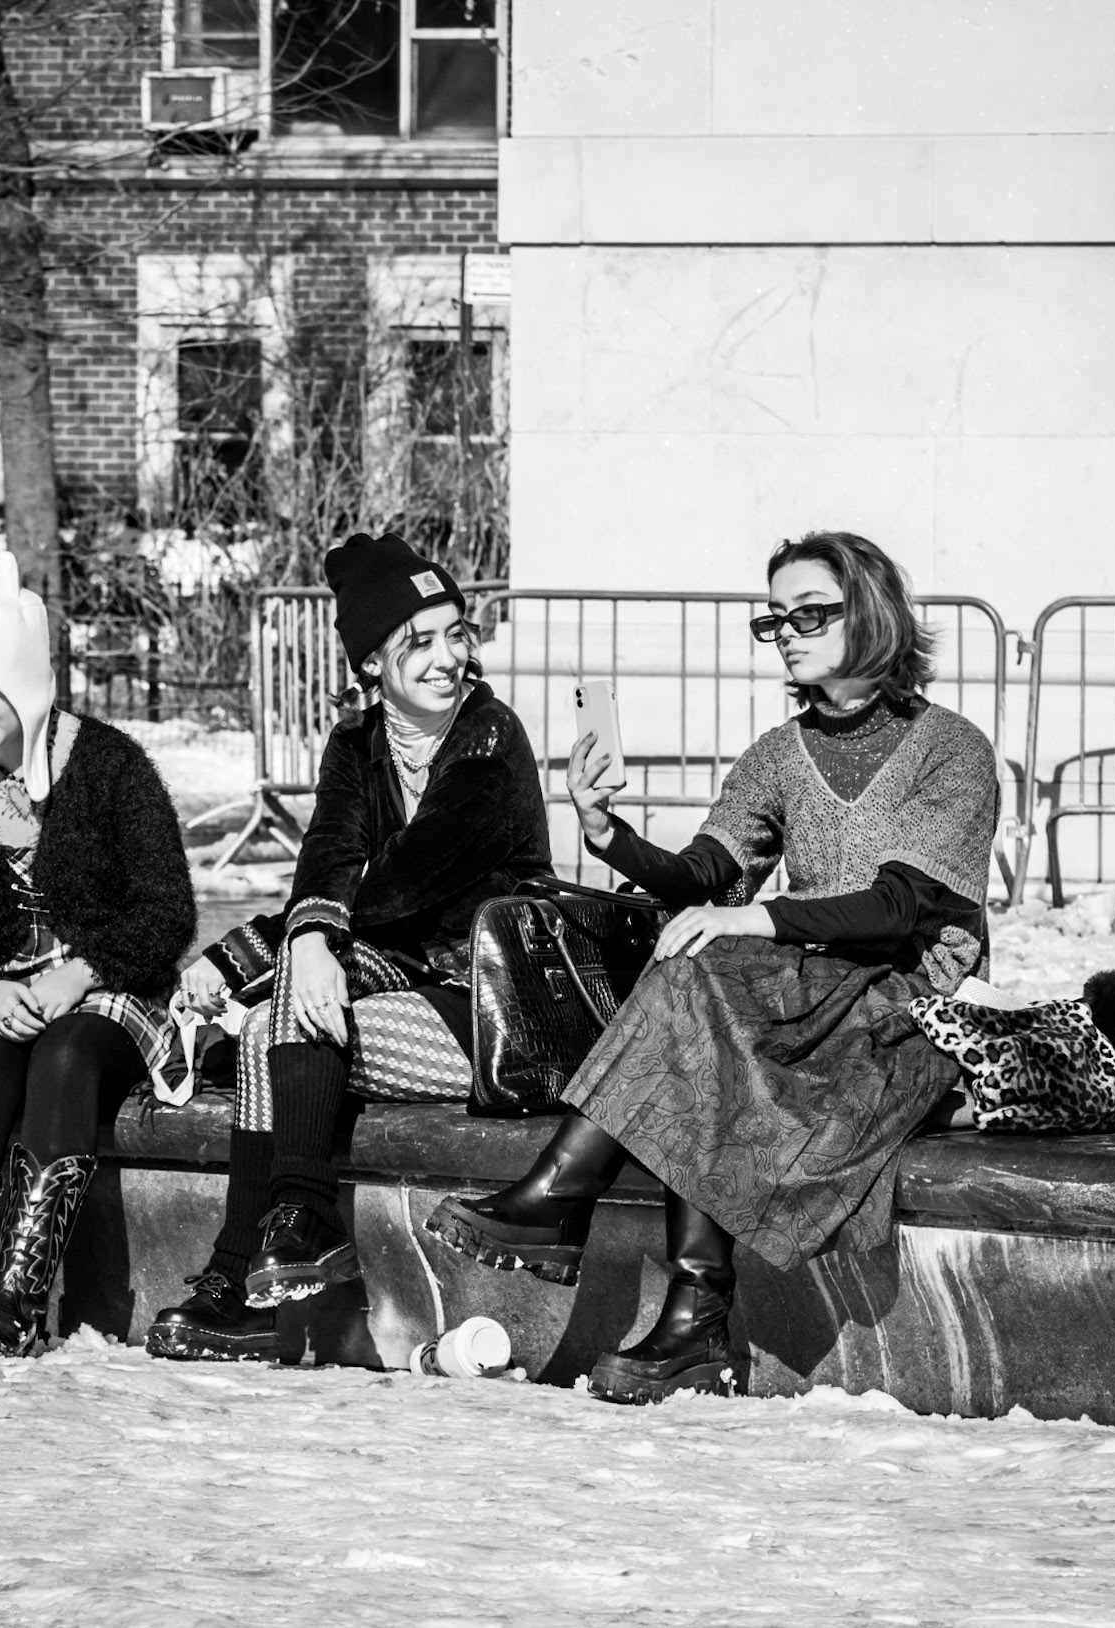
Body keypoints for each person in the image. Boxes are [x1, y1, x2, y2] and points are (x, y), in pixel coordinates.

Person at [426, 531, 1001, 1404]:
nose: (790, 632)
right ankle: (681, 1309)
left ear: (873, 613)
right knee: (698, 966)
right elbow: (708, 874)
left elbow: (900, 912)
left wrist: (751, 915)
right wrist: (605, 832)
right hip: (799, 990)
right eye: (777, 619)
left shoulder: (952, 751)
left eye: (811, 612)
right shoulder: (778, 753)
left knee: (707, 975)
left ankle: (585, 1216)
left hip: (905, 1005)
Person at [146, 532, 552, 1362]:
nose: (448, 659)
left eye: (456, 634)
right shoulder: (358, 745)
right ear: (372, 662)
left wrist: (250, 955)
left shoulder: (488, 741)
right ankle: (267, 1255)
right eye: (420, 642)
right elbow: (326, 860)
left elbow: (395, 887)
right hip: (400, 979)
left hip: (491, 1009)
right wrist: (309, 939)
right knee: (269, 1026)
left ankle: (270, 1246)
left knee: (284, 1004)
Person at [0, 551, 196, 1357]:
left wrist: (80, 970)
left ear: (20, 674)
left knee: (63, 1056)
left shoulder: (109, 766)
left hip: (104, 989)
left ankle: (16, 1298)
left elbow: (166, 912)